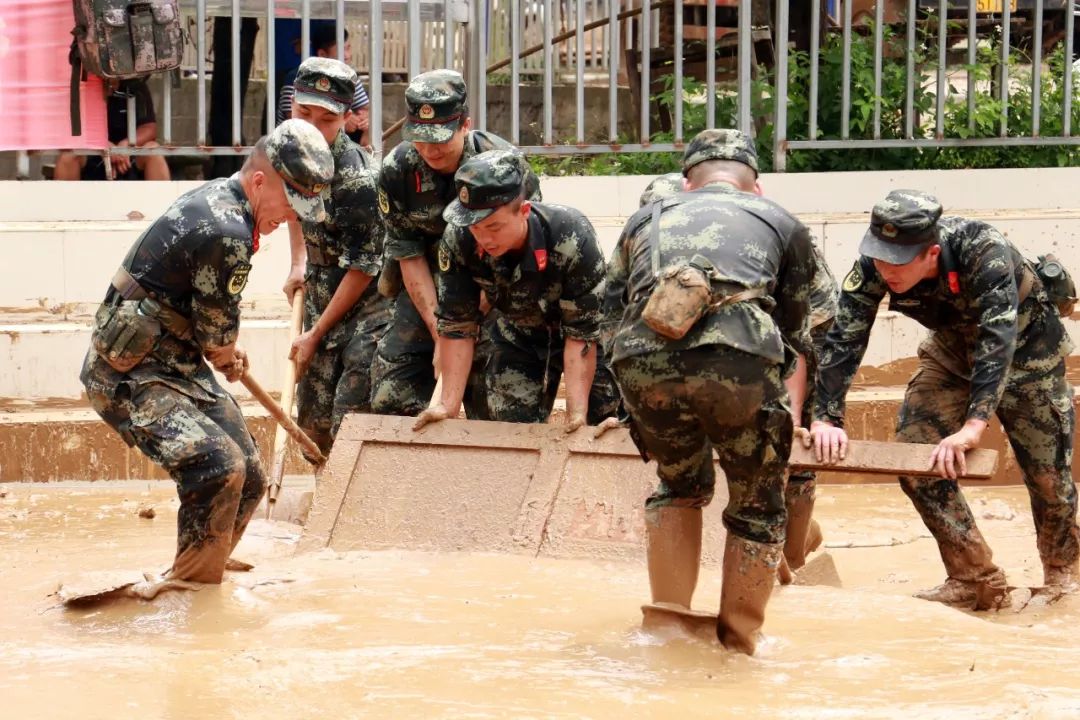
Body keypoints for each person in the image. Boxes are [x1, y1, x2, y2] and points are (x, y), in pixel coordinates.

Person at [79, 119, 334, 595]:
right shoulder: (227, 230)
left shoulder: (226, 198)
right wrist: (226, 352)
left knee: (252, 475)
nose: (291, 218)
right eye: (290, 203)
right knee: (219, 468)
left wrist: (224, 350)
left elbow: (209, 324)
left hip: (177, 363)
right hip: (130, 374)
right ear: (260, 181)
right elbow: (216, 336)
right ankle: (192, 592)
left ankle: (206, 556)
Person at [808, 190, 1080, 605]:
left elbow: (998, 340)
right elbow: (844, 339)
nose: (886, 270)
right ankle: (975, 577)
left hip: (1028, 353)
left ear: (931, 253)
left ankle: (1064, 575)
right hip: (951, 353)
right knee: (916, 456)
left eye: (898, 262)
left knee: (1048, 476)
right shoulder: (873, 266)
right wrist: (826, 416)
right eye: (880, 256)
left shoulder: (982, 249)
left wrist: (974, 426)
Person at [604, 129, 814, 655]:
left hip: (641, 363)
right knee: (757, 505)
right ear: (755, 187)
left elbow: (608, 315)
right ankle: (739, 642)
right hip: (739, 362)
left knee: (677, 486)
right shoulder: (782, 221)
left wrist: (629, 397)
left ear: (686, 183)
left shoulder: (644, 219)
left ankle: (668, 631)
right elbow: (800, 328)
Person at [636, 171, 839, 578]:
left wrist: (791, 421)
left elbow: (792, 341)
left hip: (798, 324)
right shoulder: (652, 247)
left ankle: (795, 551)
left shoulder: (761, 238)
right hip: (710, 340)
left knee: (783, 448)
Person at [372, 69, 541, 417]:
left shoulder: (507, 168)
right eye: (420, 137)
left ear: (466, 124)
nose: (429, 149)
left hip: (494, 286)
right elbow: (409, 255)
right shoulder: (398, 169)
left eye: (440, 137)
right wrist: (442, 333)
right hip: (429, 290)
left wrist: (462, 328)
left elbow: (518, 249)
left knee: (495, 404)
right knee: (390, 394)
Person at [413, 150, 616, 431]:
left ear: (524, 211)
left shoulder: (571, 236)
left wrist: (576, 415)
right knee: (509, 426)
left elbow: (581, 335)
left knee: (607, 421)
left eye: (494, 227)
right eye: (475, 228)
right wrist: (446, 406)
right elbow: (458, 325)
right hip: (521, 333)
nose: (484, 238)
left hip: (590, 336)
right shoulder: (459, 238)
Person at [281, 58, 390, 456]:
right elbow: (292, 204)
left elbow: (363, 267)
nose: (312, 126)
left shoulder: (358, 178)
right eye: (303, 113)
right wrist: (298, 263)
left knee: (350, 418)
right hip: (322, 292)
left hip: (367, 306)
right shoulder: (290, 147)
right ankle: (319, 498)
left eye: (326, 119)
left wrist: (315, 333)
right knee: (311, 420)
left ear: (346, 118)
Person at [54, 79, 170, 181]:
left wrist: (126, 145)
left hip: (129, 156)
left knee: (153, 149)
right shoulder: (81, 88)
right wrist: (103, 144)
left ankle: (162, 204)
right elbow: (70, 130)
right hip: (92, 154)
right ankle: (64, 205)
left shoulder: (135, 87)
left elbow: (149, 128)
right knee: (68, 155)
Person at [277, 26, 371, 147]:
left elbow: (366, 109)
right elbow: (295, 119)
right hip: (298, 146)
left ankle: (369, 161)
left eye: (348, 48)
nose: (347, 55)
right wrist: (339, 121)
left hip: (335, 146)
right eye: (342, 51)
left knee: (374, 130)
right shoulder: (297, 78)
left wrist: (365, 120)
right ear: (322, 54)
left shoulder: (348, 77)